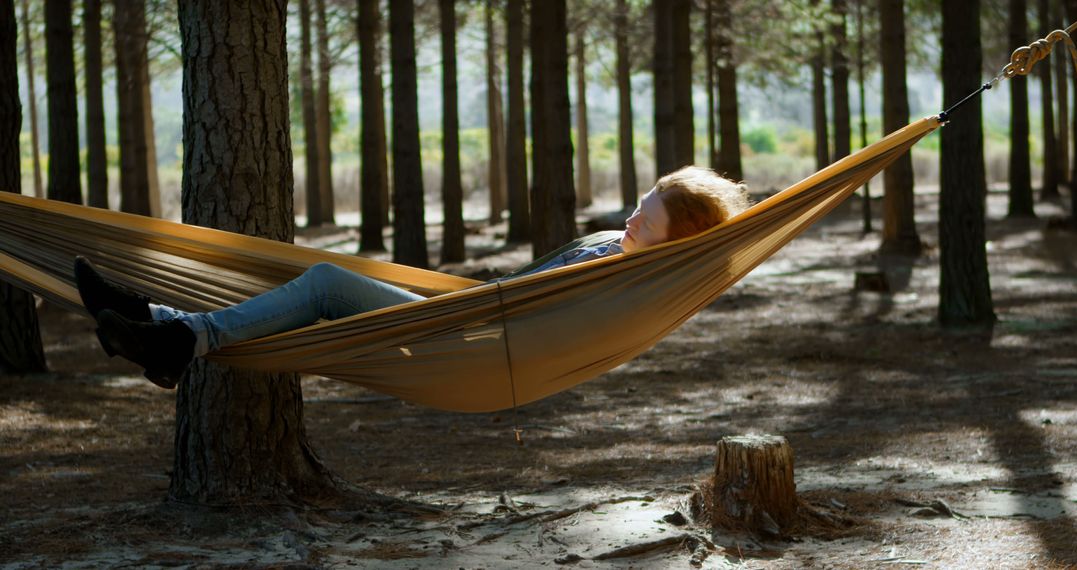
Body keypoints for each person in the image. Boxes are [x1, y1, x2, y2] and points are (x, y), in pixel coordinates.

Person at [78, 166, 750, 389]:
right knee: (329, 279)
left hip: (476, 348)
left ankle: (182, 341)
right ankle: (160, 321)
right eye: (638, 206)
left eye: (647, 222)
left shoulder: (631, 289)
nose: (630, 220)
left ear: (676, 245)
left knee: (322, 282)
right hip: (464, 311)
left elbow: (549, 328)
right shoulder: (612, 247)